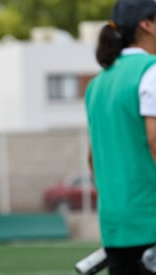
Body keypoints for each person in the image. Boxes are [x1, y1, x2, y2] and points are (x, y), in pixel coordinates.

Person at [85, 0, 156, 274]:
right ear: (146, 24)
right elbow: (154, 140)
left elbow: (92, 158)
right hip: (150, 220)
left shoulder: (97, 83)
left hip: (115, 225)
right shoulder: (151, 70)